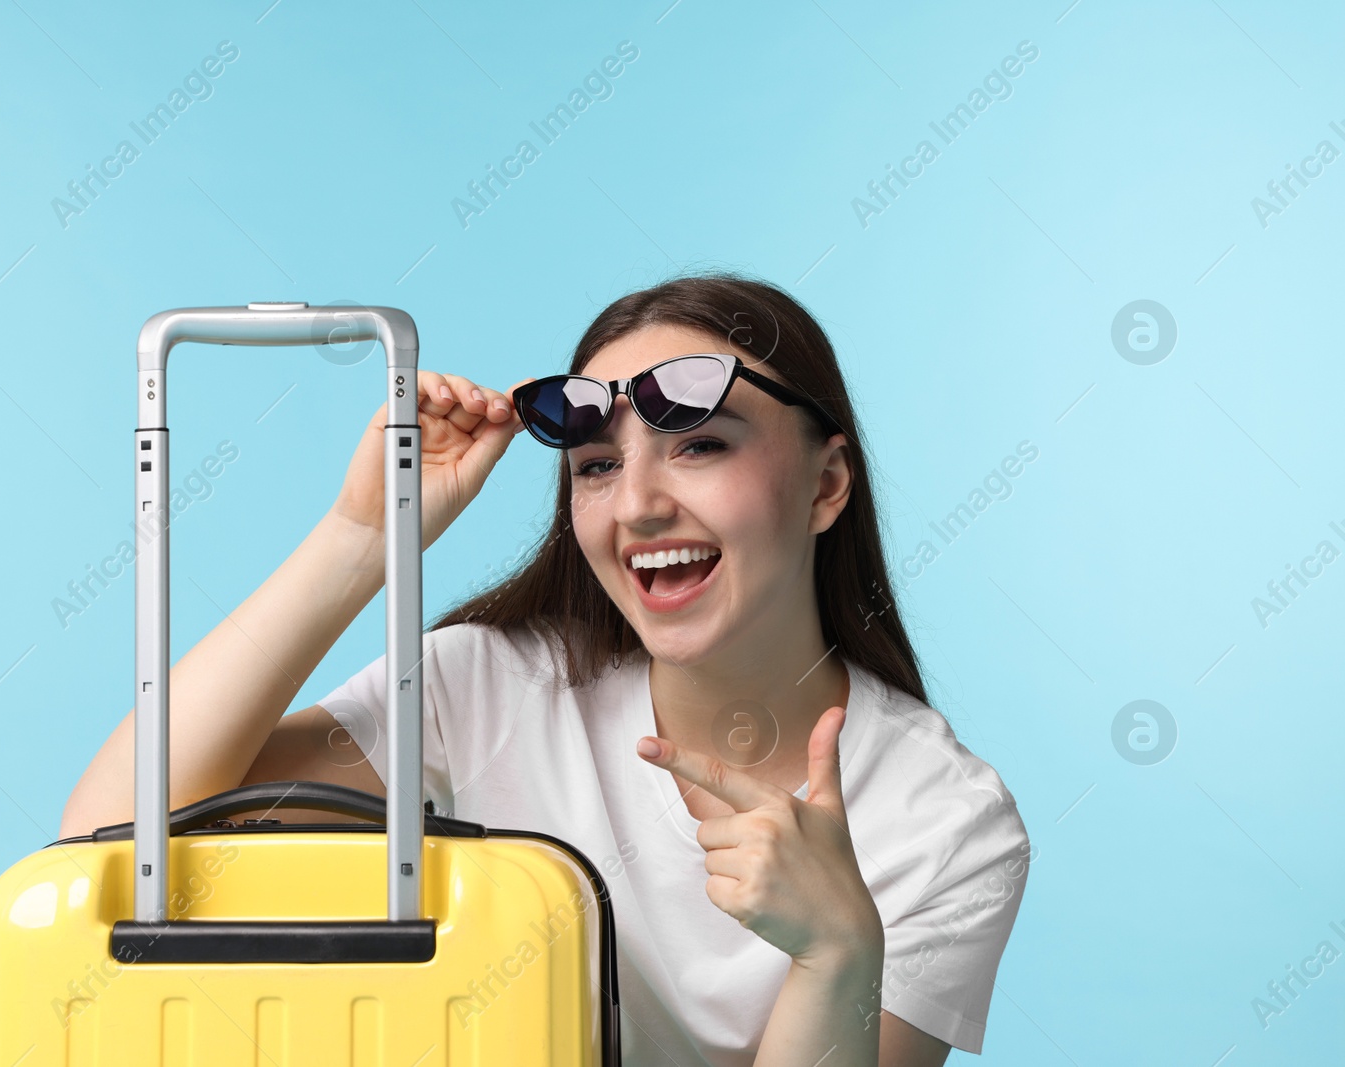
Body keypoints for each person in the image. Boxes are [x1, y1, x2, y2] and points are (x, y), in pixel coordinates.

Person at [59, 272, 1031, 1066]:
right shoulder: (487, 691)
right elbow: (111, 830)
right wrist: (362, 539)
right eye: (596, 466)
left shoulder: (943, 820)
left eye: (699, 444)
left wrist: (836, 953)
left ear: (824, 484)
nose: (638, 503)